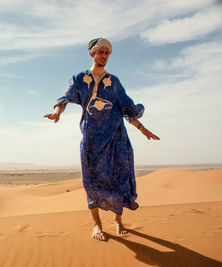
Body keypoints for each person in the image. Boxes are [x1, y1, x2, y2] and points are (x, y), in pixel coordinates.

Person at [44, 38, 160, 241]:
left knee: (119, 179)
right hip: (91, 139)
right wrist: (56, 113)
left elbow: (127, 110)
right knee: (91, 182)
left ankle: (118, 220)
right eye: (101, 52)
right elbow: (63, 99)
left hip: (116, 138)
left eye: (107, 53)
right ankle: (97, 224)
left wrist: (143, 129)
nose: (104, 56)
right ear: (92, 54)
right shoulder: (79, 78)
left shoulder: (114, 82)